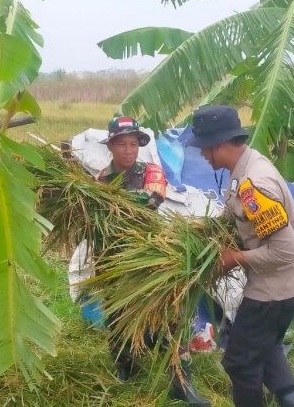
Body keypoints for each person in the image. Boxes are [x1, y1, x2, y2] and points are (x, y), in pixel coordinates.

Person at [188, 105, 294, 407]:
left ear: (219, 143)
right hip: (291, 284)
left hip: (273, 291)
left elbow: (285, 250)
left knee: (240, 363)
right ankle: (292, 400)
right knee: (265, 346)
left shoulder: (254, 185)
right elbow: (236, 217)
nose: (203, 155)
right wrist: (205, 229)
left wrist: (235, 258)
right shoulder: (245, 167)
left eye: (204, 148)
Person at [97, 116, 210, 406]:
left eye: (133, 144)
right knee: (118, 315)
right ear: (110, 146)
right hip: (112, 257)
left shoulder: (152, 171)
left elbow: (153, 199)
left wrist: (112, 201)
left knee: (171, 314)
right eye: (121, 144)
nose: (128, 150)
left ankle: (181, 380)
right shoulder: (99, 180)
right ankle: (125, 366)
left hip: (149, 254)